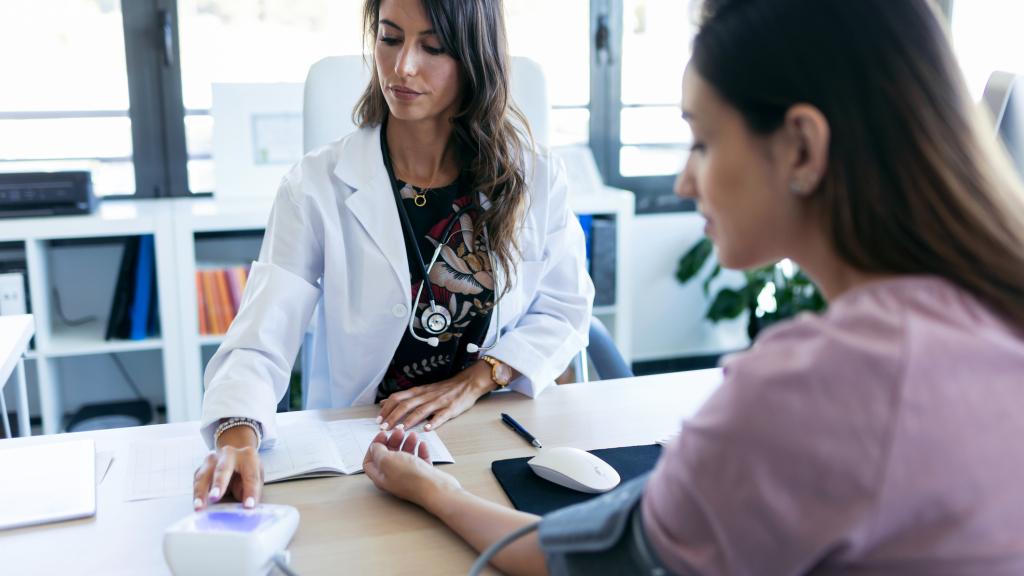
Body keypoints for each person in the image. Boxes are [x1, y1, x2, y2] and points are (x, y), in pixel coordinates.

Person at [360, 0, 1024, 574]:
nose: (684, 181)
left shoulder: (818, 387)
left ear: (800, 147)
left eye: (701, 141)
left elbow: (595, 561)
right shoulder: (987, 319)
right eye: (390, 40)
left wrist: (430, 489)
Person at [192, 0, 593, 510]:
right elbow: (260, 336)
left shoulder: (534, 177)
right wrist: (236, 436)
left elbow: (565, 308)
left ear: (474, 59)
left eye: (433, 47)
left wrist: (480, 377)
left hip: (490, 432)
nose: (403, 66)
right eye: (389, 38)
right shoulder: (315, 186)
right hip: (366, 446)